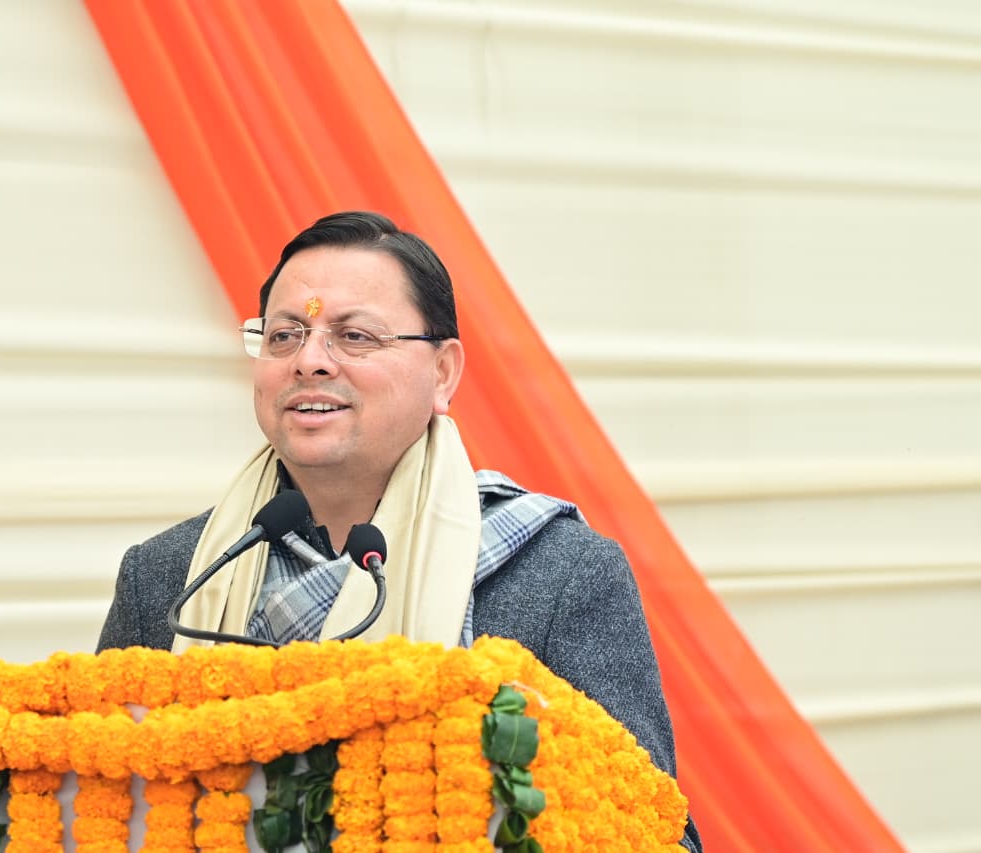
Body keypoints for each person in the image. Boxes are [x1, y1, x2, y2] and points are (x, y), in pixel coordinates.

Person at [98, 210, 700, 851]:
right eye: (284, 336)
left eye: (354, 336)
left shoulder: (559, 572)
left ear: (443, 373)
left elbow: (659, 831)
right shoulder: (172, 575)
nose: (310, 361)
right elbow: (97, 801)